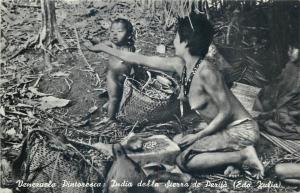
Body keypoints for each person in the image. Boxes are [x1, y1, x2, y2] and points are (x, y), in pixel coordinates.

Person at [85, 13, 264, 179]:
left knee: (183, 161)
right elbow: (138, 59)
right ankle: (229, 159)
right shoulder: (181, 65)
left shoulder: (207, 72)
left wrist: (198, 135)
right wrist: (101, 48)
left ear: (186, 42)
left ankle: (243, 155)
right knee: (177, 141)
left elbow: (226, 112)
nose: (173, 41)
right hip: (219, 128)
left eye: (176, 37)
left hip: (241, 129)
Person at [84, 18, 135, 122]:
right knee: (114, 98)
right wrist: (89, 43)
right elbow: (99, 45)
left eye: (120, 31)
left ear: (129, 35)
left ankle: (109, 107)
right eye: (112, 31)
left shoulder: (130, 47)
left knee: (122, 97)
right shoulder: (112, 44)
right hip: (113, 78)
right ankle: (110, 120)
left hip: (125, 79)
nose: (115, 34)